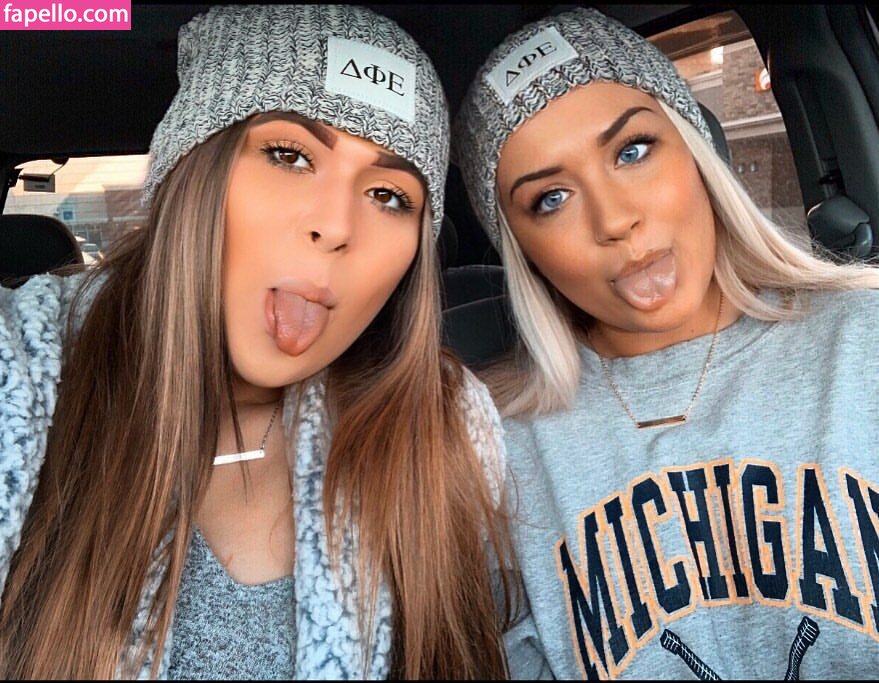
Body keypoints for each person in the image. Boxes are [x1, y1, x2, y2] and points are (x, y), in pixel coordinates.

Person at [0, 5, 515, 679]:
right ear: (194, 171)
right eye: (289, 155)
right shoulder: (24, 370)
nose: (336, 225)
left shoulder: (444, 431)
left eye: (389, 195)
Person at [453, 6, 879, 680]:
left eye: (632, 151)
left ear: (696, 150)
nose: (615, 219)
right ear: (521, 249)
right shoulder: (490, 449)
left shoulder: (864, 340)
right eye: (551, 198)